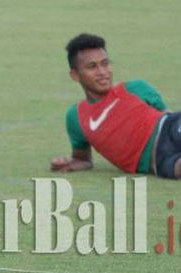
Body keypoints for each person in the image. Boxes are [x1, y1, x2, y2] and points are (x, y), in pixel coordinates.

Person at [51, 33, 181, 179]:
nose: (102, 72)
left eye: (105, 63)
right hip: (159, 162)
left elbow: (169, 117)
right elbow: (83, 158)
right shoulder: (75, 116)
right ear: (75, 75)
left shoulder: (136, 88)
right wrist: (73, 163)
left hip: (171, 130)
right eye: (92, 67)